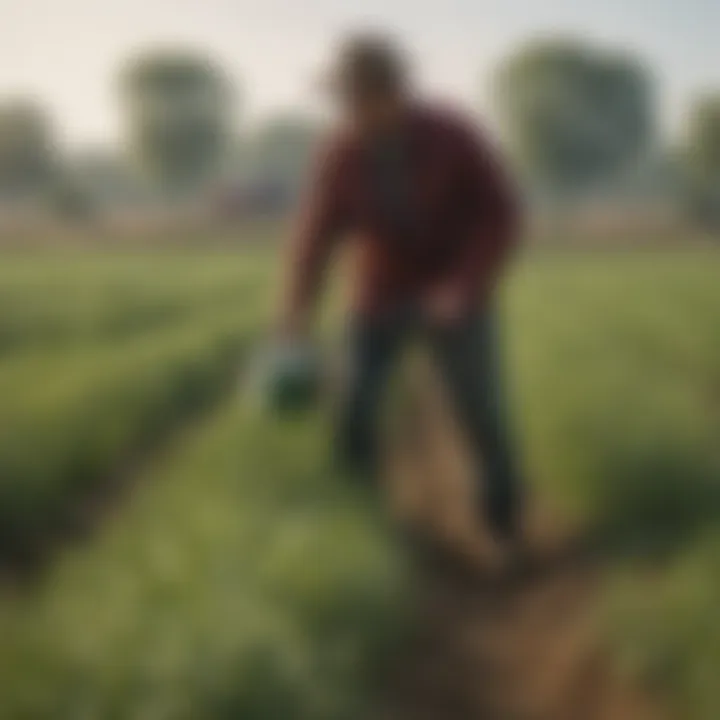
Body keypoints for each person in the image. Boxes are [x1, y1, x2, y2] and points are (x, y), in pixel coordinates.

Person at [278, 31, 524, 545]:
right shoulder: (340, 154)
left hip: (456, 294)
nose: (353, 111)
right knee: (354, 410)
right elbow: (314, 237)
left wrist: (463, 285)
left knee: (480, 413)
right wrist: (295, 315)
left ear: (395, 92)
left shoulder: (453, 134)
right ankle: (358, 529)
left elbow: (499, 216)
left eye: (362, 97)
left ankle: (502, 522)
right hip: (378, 294)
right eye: (344, 99)